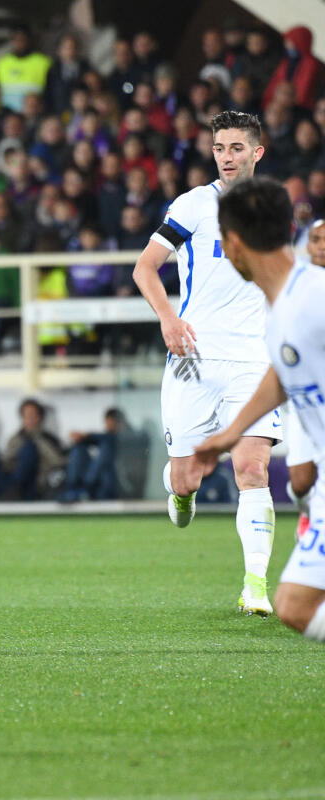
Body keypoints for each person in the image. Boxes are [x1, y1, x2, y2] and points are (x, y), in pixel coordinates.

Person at [132, 110, 282, 617]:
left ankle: (255, 586)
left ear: (257, 152)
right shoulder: (194, 205)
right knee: (186, 479)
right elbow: (145, 268)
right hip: (192, 356)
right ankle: (180, 496)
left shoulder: (276, 212)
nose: (227, 157)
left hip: (254, 362)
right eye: (220, 148)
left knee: (251, 467)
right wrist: (168, 319)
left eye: (237, 148)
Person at [192, 177, 325, 641]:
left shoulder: (314, 297)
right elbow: (284, 371)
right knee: (294, 607)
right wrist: (233, 434)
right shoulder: (280, 305)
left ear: (232, 243)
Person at [283, 219, 325, 538]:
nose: (322, 245)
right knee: (300, 481)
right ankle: (306, 509)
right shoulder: (294, 284)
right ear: (307, 246)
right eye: (316, 239)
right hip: (304, 393)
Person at [0, 398, 65, 501]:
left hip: (29, 486)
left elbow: (57, 462)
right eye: (26, 416)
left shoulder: (49, 438)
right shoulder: (16, 437)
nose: (29, 419)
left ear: (39, 417)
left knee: (29, 448)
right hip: (7, 480)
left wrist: (36, 440)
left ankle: (14, 490)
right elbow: (6, 460)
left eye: (32, 416)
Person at [58, 408, 126, 502]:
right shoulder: (105, 437)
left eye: (114, 421)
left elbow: (109, 439)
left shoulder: (127, 437)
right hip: (96, 482)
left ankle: (85, 488)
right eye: (109, 421)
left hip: (114, 484)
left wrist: (86, 436)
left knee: (106, 450)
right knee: (79, 449)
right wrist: (81, 439)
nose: (111, 424)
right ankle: (74, 489)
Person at [0, 24, 52, 112]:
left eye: (22, 39)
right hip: (8, 117)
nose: (19, 43)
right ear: (11, 41)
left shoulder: (43, 62)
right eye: (16, 40)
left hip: (35, 114)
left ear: (29, 40)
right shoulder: (2, 63)